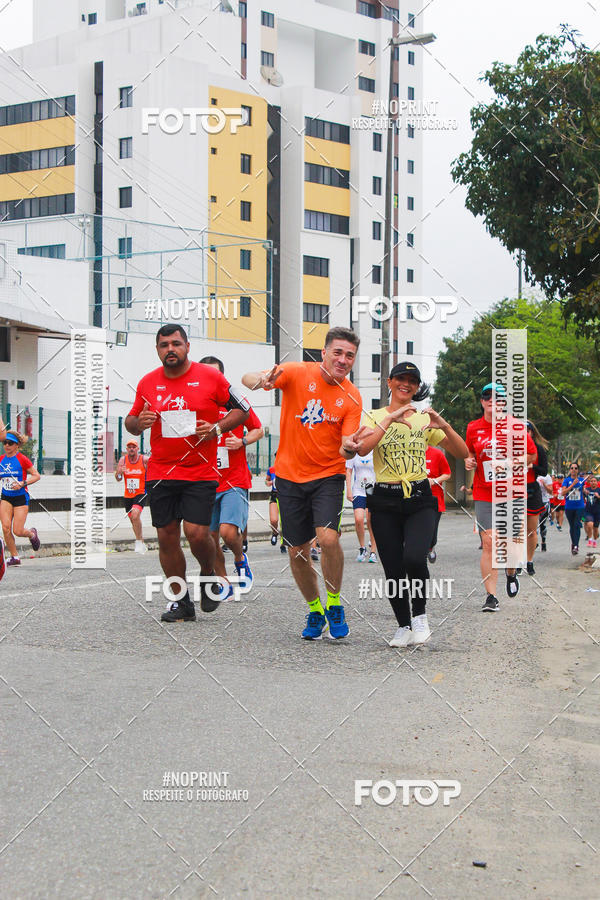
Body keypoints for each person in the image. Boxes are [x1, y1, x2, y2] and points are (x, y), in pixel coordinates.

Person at [242, 327, 363, 641]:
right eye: (337, 352)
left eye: (349, 355)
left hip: (328, 475)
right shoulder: (296, 372)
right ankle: (314, 609)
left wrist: (350, 446)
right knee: (297, 551)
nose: (343, 359)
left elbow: (345, 446)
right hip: (289, 476)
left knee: (329, 538)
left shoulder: (352, 396)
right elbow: (247, 379)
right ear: (323, 352)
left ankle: (334, 603)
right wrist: (261, 379)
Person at [125, 325, 249, 623]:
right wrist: (137, 423)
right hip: (161, 472)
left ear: (187, 347)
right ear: (157, 350)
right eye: (164, 345)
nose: (171, 349)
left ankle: (208, 578)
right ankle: (181, 602)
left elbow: (242, 410)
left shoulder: (211, 377)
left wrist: (218, 428)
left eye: (176, 344)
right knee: (167, 538)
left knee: (196, 534)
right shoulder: (147, 383)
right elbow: (131, 421)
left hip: (200, 471)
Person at [354, 362, 468, 648]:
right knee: (392, 569)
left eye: (412, 381)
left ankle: (420, 617)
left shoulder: (422, 418)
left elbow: (462, 451)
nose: (406, 384)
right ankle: (403, 626)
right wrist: (389, 420)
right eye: (401, 379)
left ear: (417, 388)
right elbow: (364, 448)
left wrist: (445, 426)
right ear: (390, 382)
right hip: (384, 500)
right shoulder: (373, 416)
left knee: (415, 559)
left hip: (419, 498)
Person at [465, 383, 537, 612]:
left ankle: (511, 573)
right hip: (484, 492)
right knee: (489, 543)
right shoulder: (473, 427)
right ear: (482, 401)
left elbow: (532, 455)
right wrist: (469, 461)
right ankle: (491, 597)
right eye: (487, 396)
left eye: (498, 397)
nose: (492, 400)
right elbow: (470, 453)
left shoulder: (516, 427)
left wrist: (510, 463)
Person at [199, 356, 263, 599]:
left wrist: (243, 441)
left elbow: (258, 428)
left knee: (227, 532)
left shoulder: (236, 404)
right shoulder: (197, 405)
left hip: (234, 479)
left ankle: (239, 557)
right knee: (210, 537)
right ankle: (223, 581)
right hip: (205, 480)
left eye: (214, 375)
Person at [0, 430, 42, 569]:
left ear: (16, 445)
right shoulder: (1, 460)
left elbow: (36, 475)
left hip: (20, 497)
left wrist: (23, 483)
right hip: (6, 497)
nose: (7, 445)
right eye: (4, 442)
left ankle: (31, 534)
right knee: (5, 528)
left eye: (10, 443)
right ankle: (14, 557)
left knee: (17, 530)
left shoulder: (22, 459)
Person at [115, 439, 150, 553]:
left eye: (133, 447)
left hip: (141, 492)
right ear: (127, 449)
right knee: (133, 519)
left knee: (135, 515)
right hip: (128, 494)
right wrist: (119, 472)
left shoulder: (144, 460)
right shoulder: (122, 460)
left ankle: (138, 542)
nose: (131, 449)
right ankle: (141, 541)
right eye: (129, 447)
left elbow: (153, 471)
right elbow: (118, 479)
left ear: (137, 449)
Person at [524, 420, 548, 575]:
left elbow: (544, 471)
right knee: (517, 530)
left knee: (531, 530)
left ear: (532, 432)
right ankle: (517, 561)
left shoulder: (538, 449)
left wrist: (532, 466)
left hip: (532, 489)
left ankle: (529, 561)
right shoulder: (511, 448)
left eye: (526, 430)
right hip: (514, 490)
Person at [345, 450, 377, 563]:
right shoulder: (353, 453)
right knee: (358, 519)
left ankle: (373, 551)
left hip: (372, 491)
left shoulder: (375, 451)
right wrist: (349, 490)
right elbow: (348, 471)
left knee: (371, 520)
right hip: (358, 491)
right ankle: (362, 548)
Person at [425, 444, 451, 564]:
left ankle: (431, 546)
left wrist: (435, 480)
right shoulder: (409, 453)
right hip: (414, 498)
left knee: (432, 529)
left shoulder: (437, 454)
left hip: (435, 498)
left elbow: (447, 473)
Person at [560, 463, 586, 555]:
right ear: (570, 470)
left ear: (578, 470)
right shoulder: (566, 480)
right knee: (572, 526)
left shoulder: (582, 480)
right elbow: (563, 492)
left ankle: (576, 546)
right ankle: (573, 543)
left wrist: (586, 491)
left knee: (577, 524)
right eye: (572, 468)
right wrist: (572, 485)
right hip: (569, 507)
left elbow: (584, 491)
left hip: (580, 506)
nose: (574, 469)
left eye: (575, 468)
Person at [265, 454, 286, 553]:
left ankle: (283, 544)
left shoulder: (288, 468)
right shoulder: (272, 469)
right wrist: (267, 483)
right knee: (273, 520)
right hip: (274, 495)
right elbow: (266, 480)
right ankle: (274, 533)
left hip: (285, 496)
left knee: (284, 522)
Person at [537, 470, 553, 552]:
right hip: (534, 501)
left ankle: (543, 541)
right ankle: (534, 542)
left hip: (544, 502)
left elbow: (550, 491)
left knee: (541, 523)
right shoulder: (531, 473)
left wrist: (544, 484)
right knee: (533, 523)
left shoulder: (547, 476)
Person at [583, 473, 600, 548]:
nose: (593, 482)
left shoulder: (599, 490)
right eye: (591, 481)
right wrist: (584, 491)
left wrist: (598, 496)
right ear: (589, 482)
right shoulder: (587, 490)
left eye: (594, 481)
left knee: (595, 528)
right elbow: (582, 494)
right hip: (588, 511)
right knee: (589, 524)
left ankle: (595, 541)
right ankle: (590, 539)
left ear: (597, 482)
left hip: (597, 512)